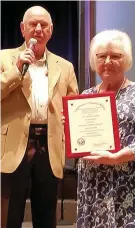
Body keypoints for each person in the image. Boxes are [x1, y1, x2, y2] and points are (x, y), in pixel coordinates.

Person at [1, 5, 78, 228]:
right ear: (22, 29)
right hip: (12, 145)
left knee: (46, 214)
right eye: (33, 24)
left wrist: (70, 120)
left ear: (51, 30)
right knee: (9, 215)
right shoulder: (4, 58)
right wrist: (16, 70)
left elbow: (73, 104)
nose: (38, 29)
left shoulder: (65, 66)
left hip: (49, 143)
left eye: (43, 25)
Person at [76, 30, 135, 227]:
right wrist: (71, 129)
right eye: (102, 56)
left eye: (115, 56)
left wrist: (118, 157)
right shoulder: (85, 96)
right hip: (91, 183)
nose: (107, 61)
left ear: (126, 59)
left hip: (125, 182)